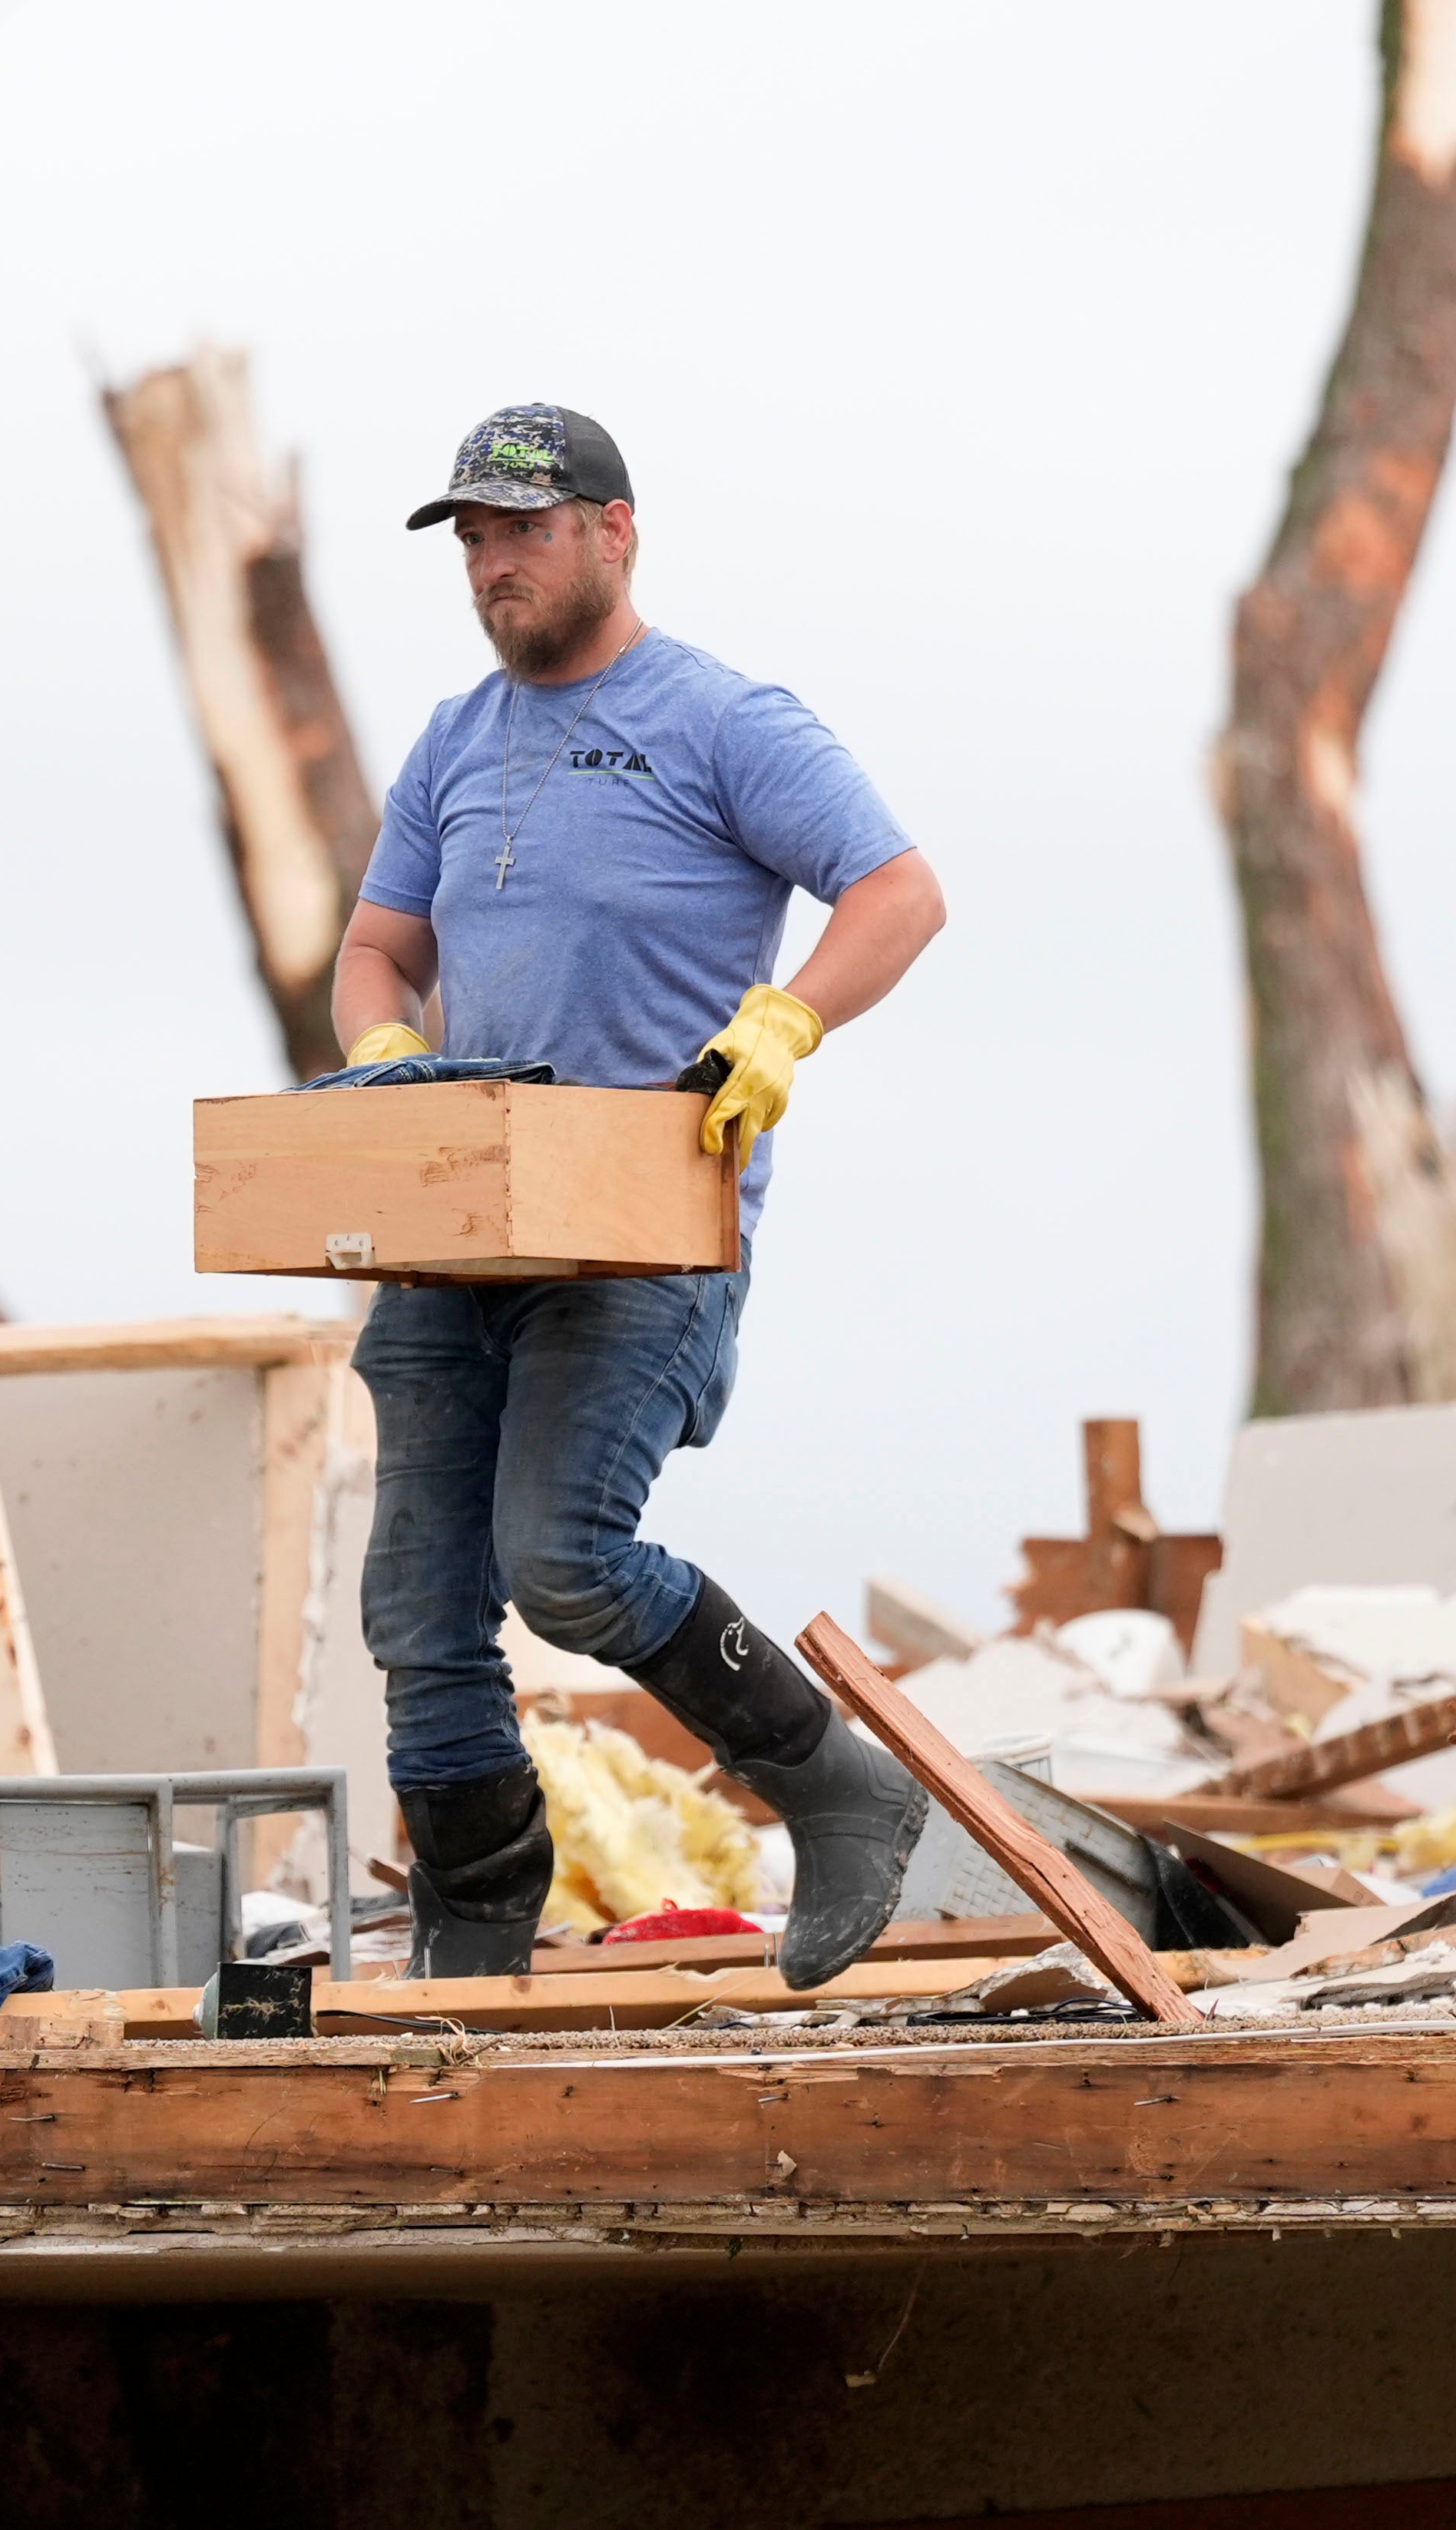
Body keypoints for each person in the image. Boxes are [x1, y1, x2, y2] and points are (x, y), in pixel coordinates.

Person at [333, 402, 950, 1984]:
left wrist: (790, 1013)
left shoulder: (725, 720)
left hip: (644, 1236)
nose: (491, 562)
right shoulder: (456, 741)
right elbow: (376, 946)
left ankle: (839, 1786)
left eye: (521, 528)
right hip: (457, 1230)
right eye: (470, 535)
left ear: (615, 530)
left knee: (566, 1559)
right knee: (417, 1606)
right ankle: (476, 1924)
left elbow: (901, 889)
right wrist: (389, 1044)